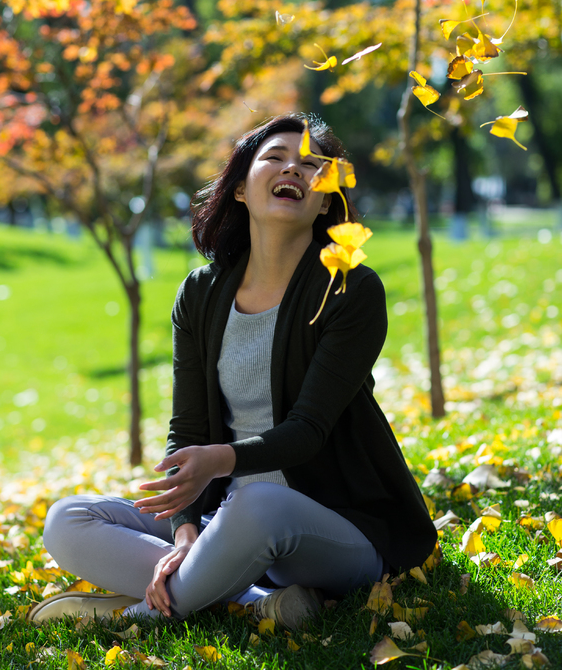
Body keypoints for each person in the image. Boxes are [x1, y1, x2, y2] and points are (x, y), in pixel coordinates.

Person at [34, 114, 436, 630]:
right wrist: (183, 533)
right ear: (242, 187)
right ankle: (252, 601)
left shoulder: (350, 290)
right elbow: (188, 431)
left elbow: (308, 432)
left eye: (313, 166)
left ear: (324, 201)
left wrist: (220, 462)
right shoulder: (201, 293)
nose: (294, 168)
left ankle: (137, 617)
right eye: (275, 157)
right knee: (68, 519)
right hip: (224, 520)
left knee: (259, 504)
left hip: (334, 529)